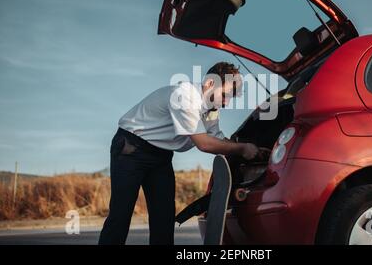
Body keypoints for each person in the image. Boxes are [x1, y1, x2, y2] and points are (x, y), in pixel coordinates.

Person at [98, 62, 264, 245]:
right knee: (120, 216)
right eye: (224, 95)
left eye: (230, 98)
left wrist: (252, 150)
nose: (226, 102)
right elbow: (205, 144)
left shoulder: (211, 112)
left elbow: (219, 141)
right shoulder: (185, 95)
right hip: (131, 148)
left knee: (164, 219)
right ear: (209, 83)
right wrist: (242, 149)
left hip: (161, 156)